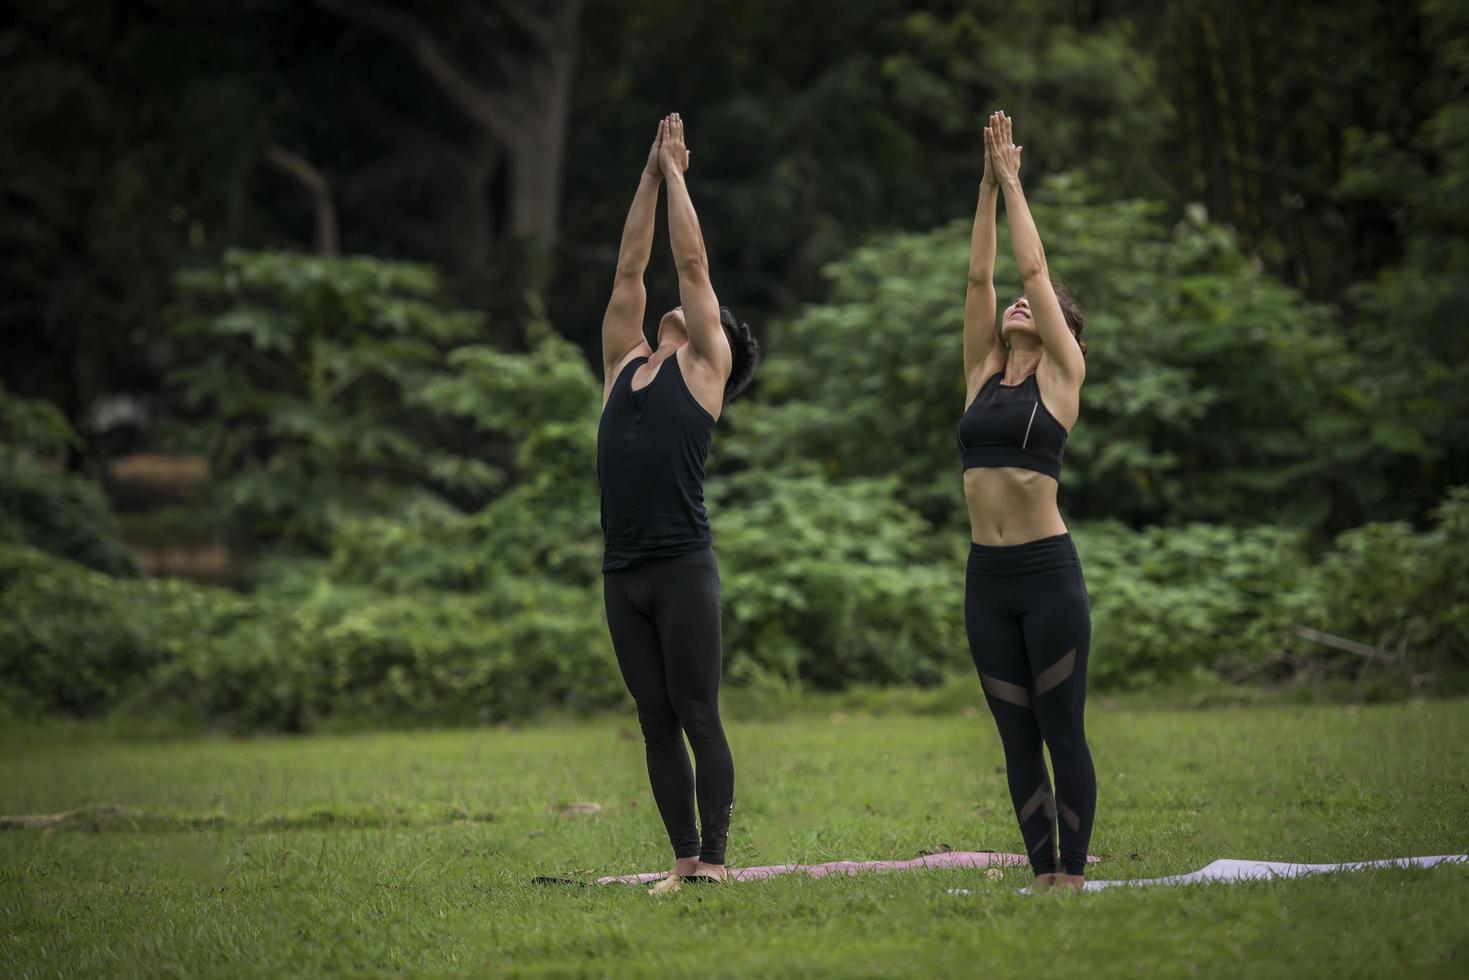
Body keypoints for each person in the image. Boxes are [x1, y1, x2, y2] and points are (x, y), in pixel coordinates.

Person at [597, 114, 761, 892]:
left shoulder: (702, 369)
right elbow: (631, 269)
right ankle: (683, 862)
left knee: (697, 713)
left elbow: (688, 261)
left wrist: (683, 178)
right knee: (653, 721)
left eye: (707, 318)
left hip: (680, 567)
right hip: (621, 572)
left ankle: (718, 863)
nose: (688, 309)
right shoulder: (624, 362)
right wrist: (650, 172)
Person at [956, 111, 1095, 892]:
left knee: (1060, 729)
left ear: (1059, 332)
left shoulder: (1060, 379)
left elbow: (1033, 273)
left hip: (1047, 575)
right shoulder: (981, 377)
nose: (1014, 301)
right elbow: (980, 279)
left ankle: (1069, 875)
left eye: (1032, 308)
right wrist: (982, 186)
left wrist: (1013, 184)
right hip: (987, 578)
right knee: (1014, 736)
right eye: (1011, 305)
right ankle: (1039, 872)